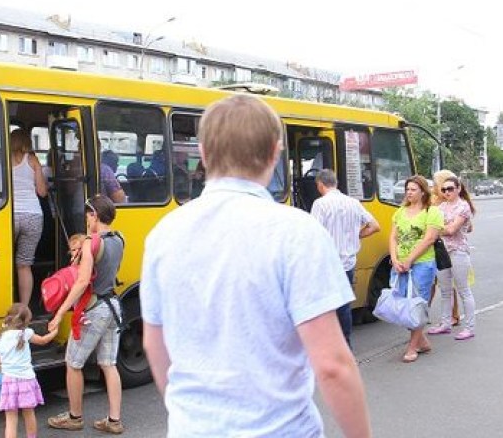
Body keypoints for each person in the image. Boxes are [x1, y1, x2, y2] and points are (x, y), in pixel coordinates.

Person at [141, 95, 371, 438]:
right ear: (275, 153)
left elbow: (155, 347)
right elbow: (332, 366)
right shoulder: (297, 232)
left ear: (203, 153)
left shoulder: (162, 235)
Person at [48, 194, 126, 435]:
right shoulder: (119, 238)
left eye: (87, 216)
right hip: (114, 306)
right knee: (108, 364)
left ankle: (74, 417)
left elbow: (82, 282)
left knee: (73, 363)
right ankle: (114, 421)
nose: (86, 221)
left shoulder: (91, 243)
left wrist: (60, 313)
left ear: (95, 215)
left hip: (95, 310)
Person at [311, 168, 380, 349]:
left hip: (327, 264)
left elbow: (314, 234)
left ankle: (329, 347)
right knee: (344, 305)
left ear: (320, 184)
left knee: (325, 306)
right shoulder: (353, 203)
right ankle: (345, 346)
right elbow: (374, 226)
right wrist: (355, 236)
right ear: (336, 183)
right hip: (348, 264)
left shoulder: (320, 204)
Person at [390, 175, 444, 363]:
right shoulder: (401, 211)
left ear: (423, 191)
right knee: (402, 306)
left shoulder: (432, 211)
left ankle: (412, 347)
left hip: (422, 264)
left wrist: (410, 259)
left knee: (417, 305)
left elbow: (429, 239)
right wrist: (395, 258)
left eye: (413, 189)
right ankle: (422, 341)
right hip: (401, 264)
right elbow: (393, 237)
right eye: (407, 189)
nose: (409, 193)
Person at [0, 303, 58, 438]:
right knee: (29, 413)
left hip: (9, 382)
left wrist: (5, 369)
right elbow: (43, 341)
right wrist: (55, 331)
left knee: (11, 418)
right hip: (27, 380)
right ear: (26, 321)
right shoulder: (26, 334)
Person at [428, 174, 477, 340]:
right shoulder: (441, 207)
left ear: (458, 189)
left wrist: (436, 229)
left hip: (458, 251)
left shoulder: (463, 207)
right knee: (445, 290)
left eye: (450, 189)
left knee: (464, 290)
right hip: (442, 251)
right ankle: (445, 323)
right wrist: (437, 228)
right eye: (444, 189)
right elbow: (432, 225)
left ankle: (470, 327)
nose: (446, 192)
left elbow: (451, 230)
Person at [10, 129, 48, 307]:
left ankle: (7, 302)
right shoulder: (32, 160)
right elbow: (42, 191)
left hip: (8, 217)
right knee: (24, 265)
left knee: (5, 260)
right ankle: (24, 308)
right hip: (33, 215)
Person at [430, 169, 465, 326]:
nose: (435, 187)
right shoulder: (432, 199)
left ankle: (454, 315)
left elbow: (466, 227)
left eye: (436, 183)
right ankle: (422, 313)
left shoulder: (454, 202)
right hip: (431, 246)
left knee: (448, 284)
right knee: (430, 282)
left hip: (447, 249)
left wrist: (438, 228)